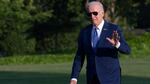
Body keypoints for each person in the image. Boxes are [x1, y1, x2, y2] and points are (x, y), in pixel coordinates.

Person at [70, 1, 131, 84]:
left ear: (102, 13)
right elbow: (79, 56)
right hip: (92, 78)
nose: (92, 16)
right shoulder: (84, 32)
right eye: (89, 14)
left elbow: (127, 50)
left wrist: (117, 44)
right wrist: (74, 77)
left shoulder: (113, 29)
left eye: (95, 13)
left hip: (110, 78)